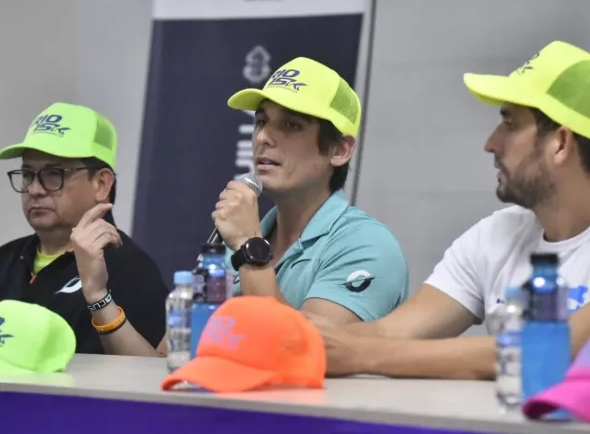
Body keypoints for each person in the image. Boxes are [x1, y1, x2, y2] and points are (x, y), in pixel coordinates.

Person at [310, 40, 590, 379]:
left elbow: (555, 354)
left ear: (561, 143)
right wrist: (312, 338)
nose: (490, 144)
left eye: (509, 123)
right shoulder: (497, 234)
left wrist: (360, 355)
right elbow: (392, 333)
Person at [82, 57, 410, 357]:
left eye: (291, 125)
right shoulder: (232, 246)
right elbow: (166, 362)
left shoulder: (367, 246)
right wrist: (100, 296)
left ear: (339, 149)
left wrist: (248, 247)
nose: (263, 137)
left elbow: (299, 353)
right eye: (261, 121)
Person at [0, 102, 168, 354]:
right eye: (27, 175)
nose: (35, 189)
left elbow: (144, 378)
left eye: (53, 174)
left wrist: (99, 297)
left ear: (101, 183)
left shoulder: (130, 270)